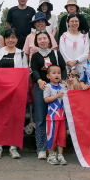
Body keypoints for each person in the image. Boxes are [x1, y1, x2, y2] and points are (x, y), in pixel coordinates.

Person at [0, 29, 28, 159]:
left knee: (14, 118)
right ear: (4, 39)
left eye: (13, 37)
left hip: (15, 92)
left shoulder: (21, 54)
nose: (10, 40)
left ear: (17, 39)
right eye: (8, 38)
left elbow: (25, 73)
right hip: (0, 91)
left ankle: (13, 146)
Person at [30, 31, 66, 160]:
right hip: (41, 87)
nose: (42, 41)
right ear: (36, 42)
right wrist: (39, 80)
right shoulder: (35, 55)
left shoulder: (56, 53)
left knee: (55, 118)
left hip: (55, 89)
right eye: (39, 39)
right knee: (40, 118)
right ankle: (41, 148)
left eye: (44, 38)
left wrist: (63, 80)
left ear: (49, 40)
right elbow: (33, 70)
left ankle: (54, 147)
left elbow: (63, 68)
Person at [43, 65, 68, 166]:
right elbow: (46, 99)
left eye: (58, 73)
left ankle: (60, 155)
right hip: (52, 117)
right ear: (48, 76)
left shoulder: (63, 86)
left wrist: (70, 84)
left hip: (62, 117)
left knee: (61, 137)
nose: (57, 75)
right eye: (54, 73)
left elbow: (69, 96)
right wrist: (57, 96)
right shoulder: (47, 86)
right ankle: (51, 155)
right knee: (51, 136)